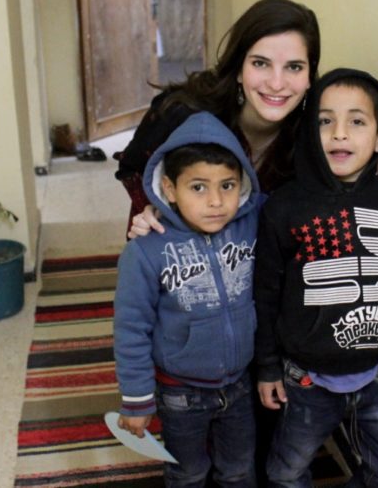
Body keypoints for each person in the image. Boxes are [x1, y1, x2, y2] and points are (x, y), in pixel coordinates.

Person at [114, 0, 378, 241]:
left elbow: (341, 166)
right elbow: (133, 168)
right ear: (239, 68)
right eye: (261, 64)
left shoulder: (315, 131)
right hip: (174, 260)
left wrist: (377, 168)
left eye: (294, 67)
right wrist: (154, 209)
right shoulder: (181, 113)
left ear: (310, 76)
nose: (277, 83)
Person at [254, 68, 378, 488]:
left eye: (357, 122)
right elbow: (266, 293)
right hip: (305, 379)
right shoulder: (285, 207)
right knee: (287, 471)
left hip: (377, 376)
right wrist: (268, 366)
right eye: (325, 121)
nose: (340, 134)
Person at [114, 111, 265, 487]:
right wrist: (136, 399)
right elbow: (131, 327)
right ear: (169, 189)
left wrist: (372, 175)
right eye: (198, 187)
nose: (216, 201)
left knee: (240, 470)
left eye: (228, 185)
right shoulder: (145, 251)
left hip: (240, 383)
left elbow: (305, 202)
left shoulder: (252, 221)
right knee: (188, 472)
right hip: (180, 392)